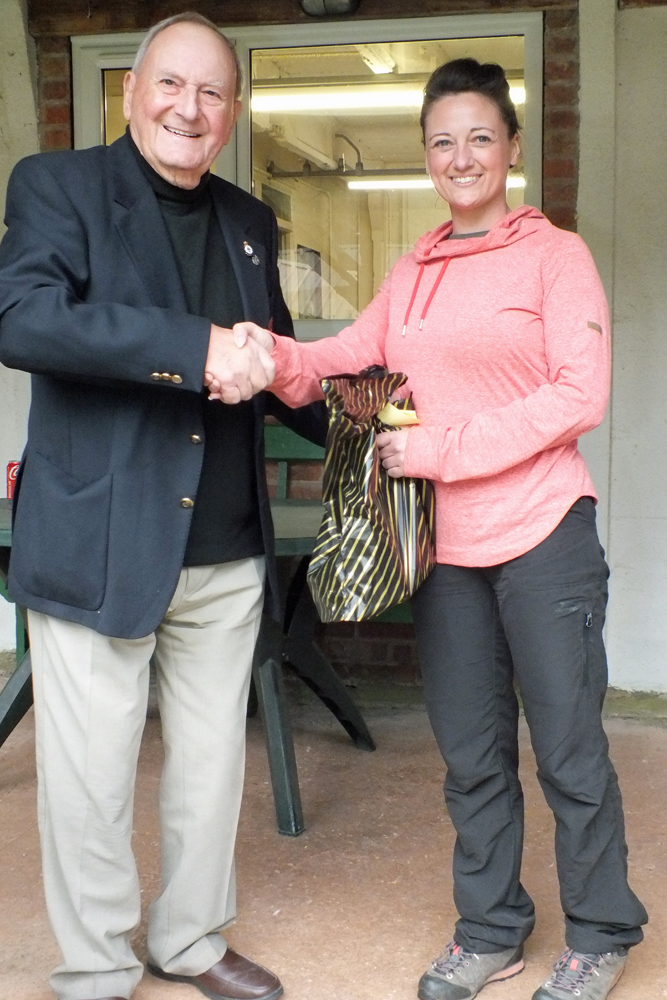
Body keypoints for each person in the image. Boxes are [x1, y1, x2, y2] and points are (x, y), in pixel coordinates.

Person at [221, 58, 648, 1000]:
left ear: (510, 149)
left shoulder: (554, 256)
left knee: (569, 749)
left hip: (542, 533)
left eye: (479, 137)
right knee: (470, 753)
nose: (461, 157)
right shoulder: (414, 266)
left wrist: (444, 449)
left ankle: (601, 928)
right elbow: (344, 355)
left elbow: (578, 395)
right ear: (427, 153)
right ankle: (491, 924)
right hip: (446, 551)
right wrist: (267, 355)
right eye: (442, 141)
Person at [0, 12, 326, 1000]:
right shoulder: (57, 186)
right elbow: (26, 318)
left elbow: (272, 362)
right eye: (172, 85)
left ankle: (188, 939)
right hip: (102, 538)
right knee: (91, 782)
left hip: (225, 543)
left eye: (213, 91)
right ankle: (97, 964)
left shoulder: (248, 220)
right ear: (133, 91)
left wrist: (363, 416)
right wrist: (193, 348)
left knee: (210, 770)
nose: (191, 107)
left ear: (232, 111)